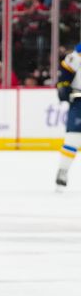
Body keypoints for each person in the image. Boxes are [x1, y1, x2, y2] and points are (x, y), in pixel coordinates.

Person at [56, 43, 81, 190]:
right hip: (79, 101)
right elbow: (65, 74)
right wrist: (63, 86)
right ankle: (63, 171)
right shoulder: (77, 55)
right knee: (73, 138)